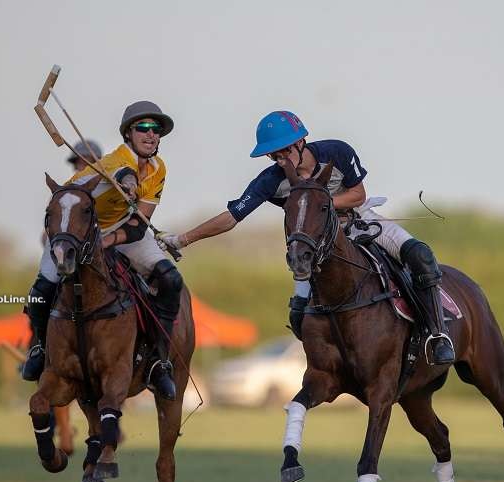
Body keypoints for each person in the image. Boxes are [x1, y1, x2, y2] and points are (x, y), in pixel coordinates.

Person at [159, 111, 454, 365]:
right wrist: (183, 239)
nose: (279, 159)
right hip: (315, 245)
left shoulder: (336, 152)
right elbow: (232, 217)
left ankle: (437, 336)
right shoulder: (270, 180)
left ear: (301, 142)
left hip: (360, 221)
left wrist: (320, 203)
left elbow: (358, 194)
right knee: (299, 313)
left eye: (284, 151)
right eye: (273, 155)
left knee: (420, 255)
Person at [22, 101, 183, 399]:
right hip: (77, 231)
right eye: (142, 128)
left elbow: (138, 225)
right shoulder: (113, 161)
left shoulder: (160, 169)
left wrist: (107, 242)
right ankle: (39, 348)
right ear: (128, 134)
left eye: (155, 129)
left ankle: (159, 362)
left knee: (172, 280)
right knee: (42, 288)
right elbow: (123, 172)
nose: (150, 134)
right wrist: (128, 181)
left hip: (121, 231)